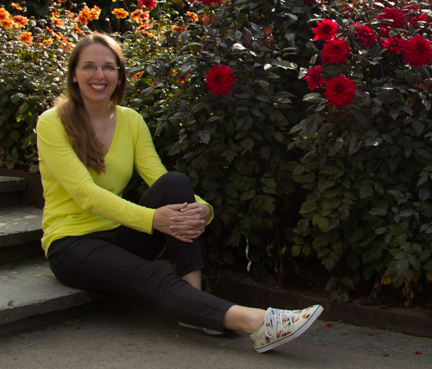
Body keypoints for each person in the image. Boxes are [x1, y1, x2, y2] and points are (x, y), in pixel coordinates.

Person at [36, 33, 323, 353]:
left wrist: (202, 208)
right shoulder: (52, 123)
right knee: (153, 276)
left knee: (175, 182)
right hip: (72, 245)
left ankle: (193, 305)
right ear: (74, 74)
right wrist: (152, 219)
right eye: (89, 66)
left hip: (119, 233)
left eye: (108, 67)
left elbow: (156, 176)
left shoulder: (130, 120)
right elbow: (86, 194)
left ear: (119, 75)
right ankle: (256, 322)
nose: (99, 76)